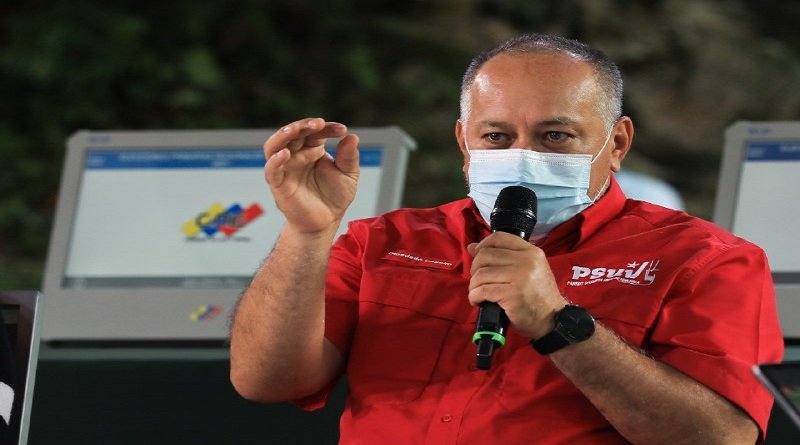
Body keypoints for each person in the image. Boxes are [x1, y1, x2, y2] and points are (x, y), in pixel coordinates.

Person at [229, 34, 784, 444]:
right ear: (463, 142)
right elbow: (264, 381)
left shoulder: (706, 261)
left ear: (616, 143)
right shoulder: (381, 242)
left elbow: (720, 438)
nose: (522, 155)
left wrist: (558, 323)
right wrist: (308, 232)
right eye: (496, 135)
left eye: (555, 135)